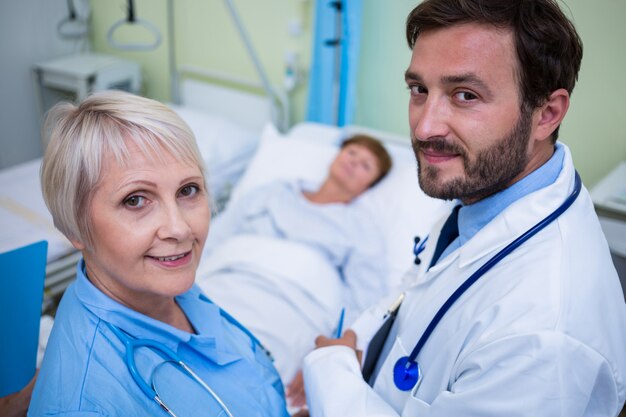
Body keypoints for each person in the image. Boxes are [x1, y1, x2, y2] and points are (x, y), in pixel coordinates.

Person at [301, 0, 626, 416]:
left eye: (465, 95)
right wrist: (353, 346)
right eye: (419, 89)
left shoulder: (544, 340)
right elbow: (418, 292)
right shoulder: (485, 194)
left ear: (546, 114)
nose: (424, 126)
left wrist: (330, 374)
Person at [28, 91, 289, 416]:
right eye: (135, 200)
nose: (179, 229)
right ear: (75, 229)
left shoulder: (165, 290)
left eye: (188, 190)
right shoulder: (87, 405)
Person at [195, 134, 393, 406]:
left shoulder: (361, 229)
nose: (354, 163)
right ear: (337, 156)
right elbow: (215, 237)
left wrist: (327, 358)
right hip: (226, 281)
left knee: (250, 377)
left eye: (365, 165)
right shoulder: (274, 192)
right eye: (352, 153)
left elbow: (363, 300)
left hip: (292, 307)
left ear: (368, 186)